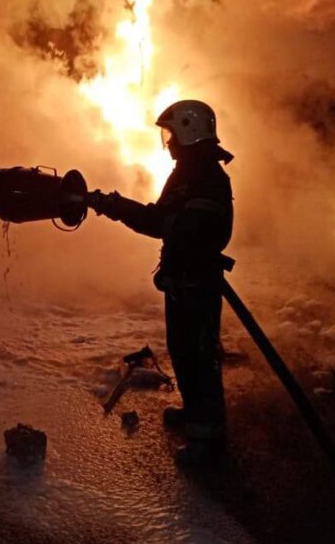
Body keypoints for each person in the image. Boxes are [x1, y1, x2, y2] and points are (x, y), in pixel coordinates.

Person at [87, 99, 234, 467]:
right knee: (183, 350)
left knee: (199, 355)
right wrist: (115, 205)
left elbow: (166, 224)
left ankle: (207, 438)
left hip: (196, 281)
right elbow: (164, 218)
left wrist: (116, 207)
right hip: (185, 279)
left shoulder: (205, 177)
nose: (167, 142)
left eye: (171, 134)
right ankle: (195, 414)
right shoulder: (190, 172)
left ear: (189, 130)